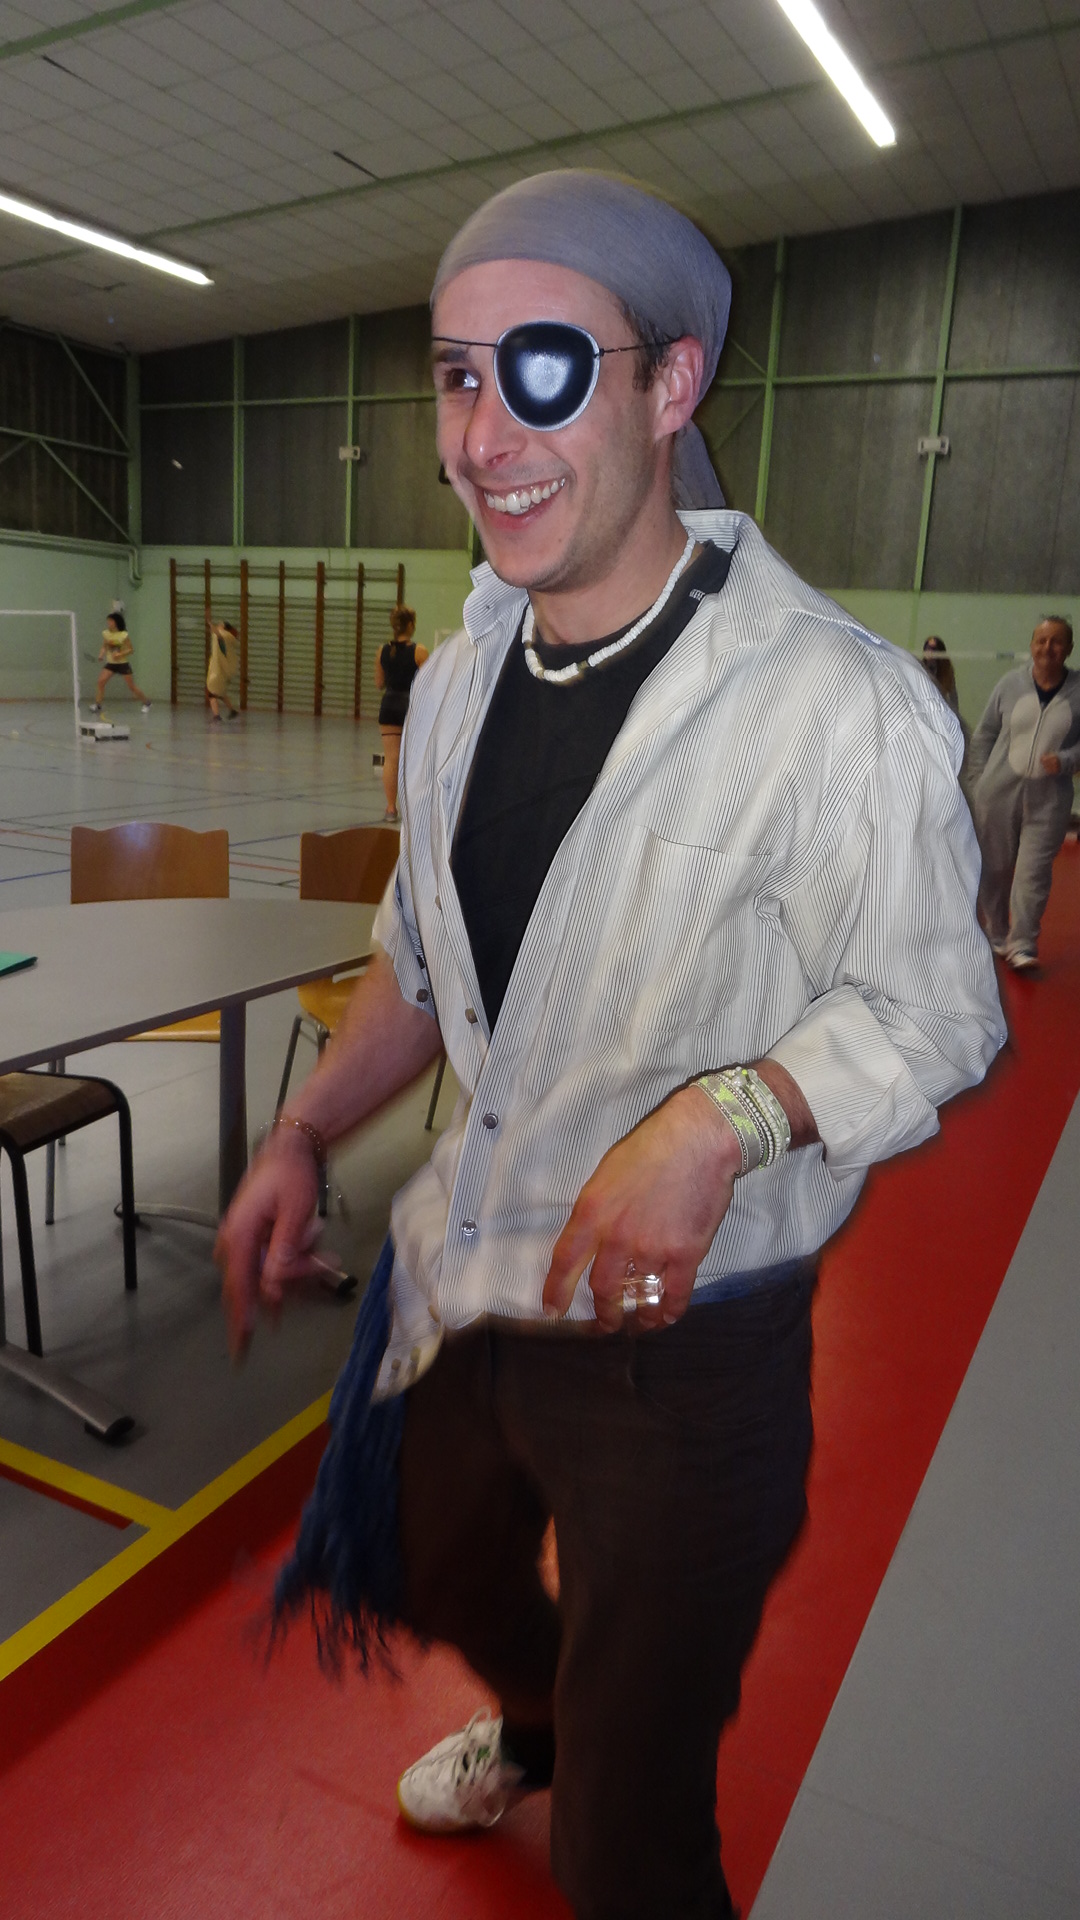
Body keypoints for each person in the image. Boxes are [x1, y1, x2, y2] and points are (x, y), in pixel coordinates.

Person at [215, 171, 1005, 1920]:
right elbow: (421, 965)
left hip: (683, 1347)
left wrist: (726, 1118)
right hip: (471, 1282)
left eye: (545, 368)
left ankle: (600, 1761)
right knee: (425, 1559)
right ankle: (538, 1718)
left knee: (631, 1847)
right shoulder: (454, 684)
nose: (483, 432)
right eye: (456, 373)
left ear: (670, 385)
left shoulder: (832, 704)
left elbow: (937, 1007)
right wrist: (304, 1133)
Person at [969, 615, 1080, 972]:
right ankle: (997, 932)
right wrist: (979, 782)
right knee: (995, 868)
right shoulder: (1010, 684)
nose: (1048, 648)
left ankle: (1023, 943)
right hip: (997, 795)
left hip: (1049, 801)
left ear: (1069, 648)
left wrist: (1066, 760)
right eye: (1041, 640)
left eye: (1057, 641)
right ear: (1032, 646)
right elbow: (985, 735)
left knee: (1033, 872)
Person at [374, 606, 428, 821]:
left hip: (388, 706)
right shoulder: (419, 651)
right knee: (414, 759)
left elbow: (379, 683)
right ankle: (414, 808)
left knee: (391, 759)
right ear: (411, 625)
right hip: (410, 707)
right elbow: (428, 683)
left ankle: (390, 808)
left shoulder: (382, 651)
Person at [90, 610, 150, 714]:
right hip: (111, 664)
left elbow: (131, 649)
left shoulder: (123, 635)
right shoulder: (106, 633)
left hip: (122, 664)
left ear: (116, 622)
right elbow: (104, 646)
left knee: (131, 687)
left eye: (111, 621)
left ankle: (147, 703)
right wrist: (101, 654)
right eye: (108, 621)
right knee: (100, 682)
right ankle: (98, 705)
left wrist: (120, 654)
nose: (108, 623)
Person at [206, 617, 240, 721]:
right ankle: (232, 711)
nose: (218, 625)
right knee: (221, 692)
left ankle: (216, 716)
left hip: (218, 671)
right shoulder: (229, 638)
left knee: (211, 693)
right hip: (224, 671)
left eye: (220, 624)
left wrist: (210, 623)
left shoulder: (223, 636)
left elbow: (217, 634)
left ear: (223, 627)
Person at [921, 634, 959, 714]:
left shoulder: (946, 670)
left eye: (933, 649)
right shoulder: (920, 667)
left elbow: (953, 696)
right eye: (927, 649)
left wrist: (955, 714)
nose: (929, 652)